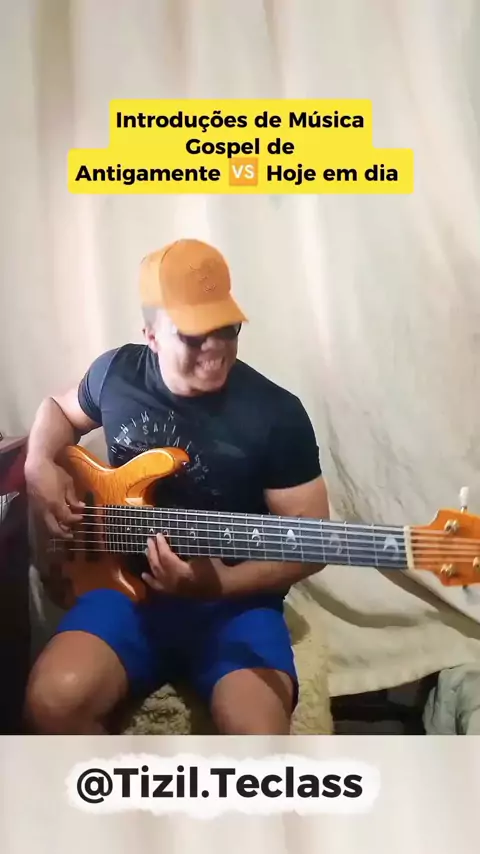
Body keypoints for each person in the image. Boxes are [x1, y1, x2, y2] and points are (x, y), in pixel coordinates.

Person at [24, 238, 330, 735]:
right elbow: (58, 409)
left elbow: (312, 541)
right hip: (122, 591)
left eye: (227, 329)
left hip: (235, 605)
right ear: (151, 335)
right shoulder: (116, 373)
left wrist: (220, 584)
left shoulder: (277, 414)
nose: (216, 348)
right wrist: (38, 464)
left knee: (259, 741)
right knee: (52, 704)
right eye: (193, 335)